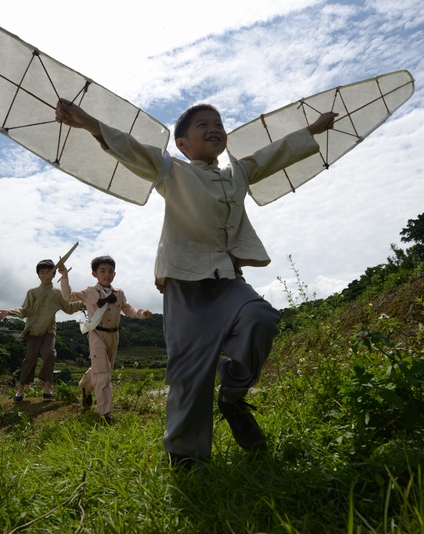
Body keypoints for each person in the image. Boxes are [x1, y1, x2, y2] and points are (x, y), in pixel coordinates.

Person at [55, 98, 337, 466]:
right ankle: (186, 457)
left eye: (218, 123)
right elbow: (132, 149)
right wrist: (92, 123)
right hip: (183, 281)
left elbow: (274, 153)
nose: (214, 129)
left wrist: (312, 130)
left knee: (261, 319)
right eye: (203, 125)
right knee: (190, 368)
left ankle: (232, 395)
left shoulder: (238, 172)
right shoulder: (172, 170)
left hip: (226, 278)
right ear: (183, 144)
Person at [58, 255, 152, 422]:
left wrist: (141, 314)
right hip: (96, 335)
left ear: (114, 274)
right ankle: (105, 414)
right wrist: (64, 276)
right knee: (103, 373)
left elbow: (127, 309)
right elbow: (68, 296)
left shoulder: (119, 293)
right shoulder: (89, 292)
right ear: (94, 274)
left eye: (110, 271)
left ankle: (85, 386)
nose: (107, 274)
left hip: (114, 335)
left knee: (102, 368)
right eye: (103, 271)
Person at [0, 259, 84, 401]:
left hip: (49, 330)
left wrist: (83, 302)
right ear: (38, 275)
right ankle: (20, 390)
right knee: (29, 359)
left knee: (50, 354)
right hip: (33, 330)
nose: (45, 275)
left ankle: (47, 388)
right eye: (42, 272)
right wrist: (8, 312)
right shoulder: (32, 292)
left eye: (49, 272)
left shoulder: (58, 293)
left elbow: (69, 308)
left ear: (54, 275)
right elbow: (24, 310)